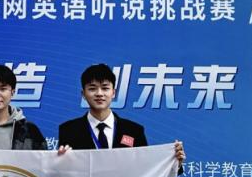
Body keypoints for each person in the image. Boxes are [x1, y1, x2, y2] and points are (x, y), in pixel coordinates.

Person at [57, 63, 185, 166]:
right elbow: (63, 174)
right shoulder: (68, 130)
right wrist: (60, 162)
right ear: (83, 94)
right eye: (92, 88)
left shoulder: (134, 130)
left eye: (105, 88)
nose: (99, 93)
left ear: (113, 92)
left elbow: (146, 168)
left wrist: (174, 163)